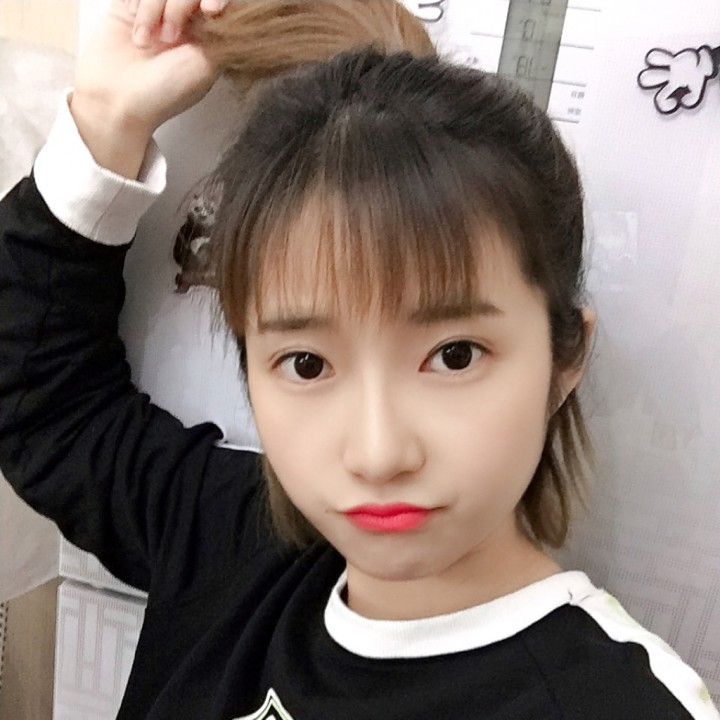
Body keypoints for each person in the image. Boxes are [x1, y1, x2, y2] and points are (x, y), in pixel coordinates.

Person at [0, 1, 717, 718]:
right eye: (307, 365)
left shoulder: (620, 704)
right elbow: (49, 400)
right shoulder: (234, 544)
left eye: (454, 355)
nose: (378, 454)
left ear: (566, 358)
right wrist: (107, 120)